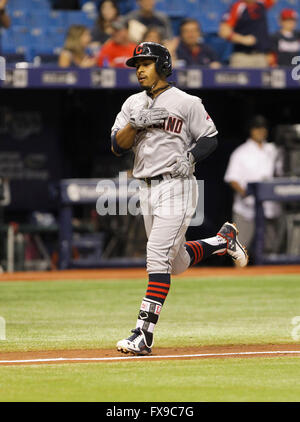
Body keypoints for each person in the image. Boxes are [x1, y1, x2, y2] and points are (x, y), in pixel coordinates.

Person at [112, 42, 248, 356]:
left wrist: (190, 156)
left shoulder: (187, 102)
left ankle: (143, 335)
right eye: (137, 65)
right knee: (177, 263)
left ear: (163, 65)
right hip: (145, 188)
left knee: (156, 257)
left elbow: (210, 137)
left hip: (177, 186)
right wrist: (136, 123)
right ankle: (221, 241)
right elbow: (117, 146)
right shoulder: (132, 103)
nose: (140, 70)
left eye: (146, 63)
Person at [224, 115, 282, 254]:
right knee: (239, 250)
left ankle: (269, 275)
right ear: (251, 130)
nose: (260, 131)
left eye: (263, 128)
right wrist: (247, 193)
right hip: (246, 209)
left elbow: (282, 173)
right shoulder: (241, 152)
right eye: (257, 128)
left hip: (269, 208)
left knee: (270, 250)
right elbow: (232, 178)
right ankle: (238, 275)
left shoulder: (274, 150)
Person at [219, 0, 277, 68]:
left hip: (261, 56)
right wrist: (242, 39)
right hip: (242, 56)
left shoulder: (261, 3)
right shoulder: (238, 6)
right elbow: (223, 32)